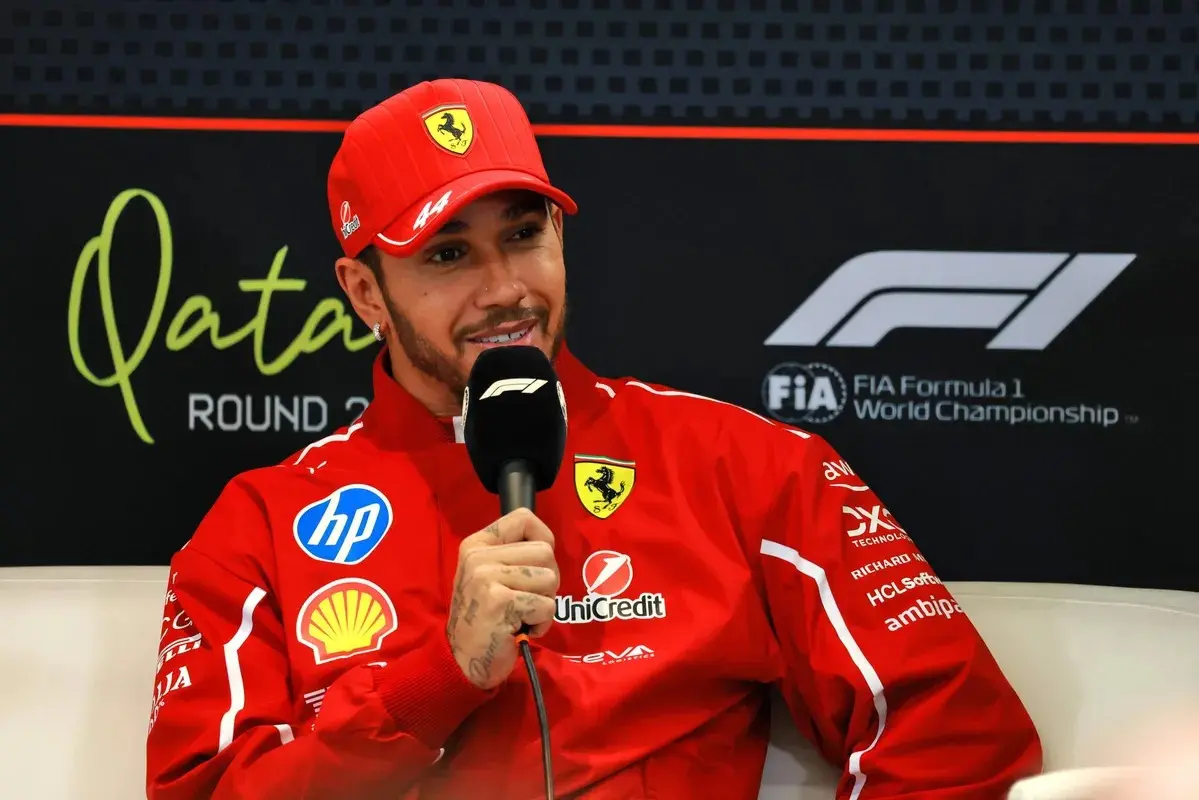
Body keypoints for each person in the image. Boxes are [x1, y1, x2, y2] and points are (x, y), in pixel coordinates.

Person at [145, 78, 1043, 799]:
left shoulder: (744, 465)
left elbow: (952, 738)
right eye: (448, 254)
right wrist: (440, 678)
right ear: (365, 291)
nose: (505, 288)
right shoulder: (259, 526)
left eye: (523, 235)